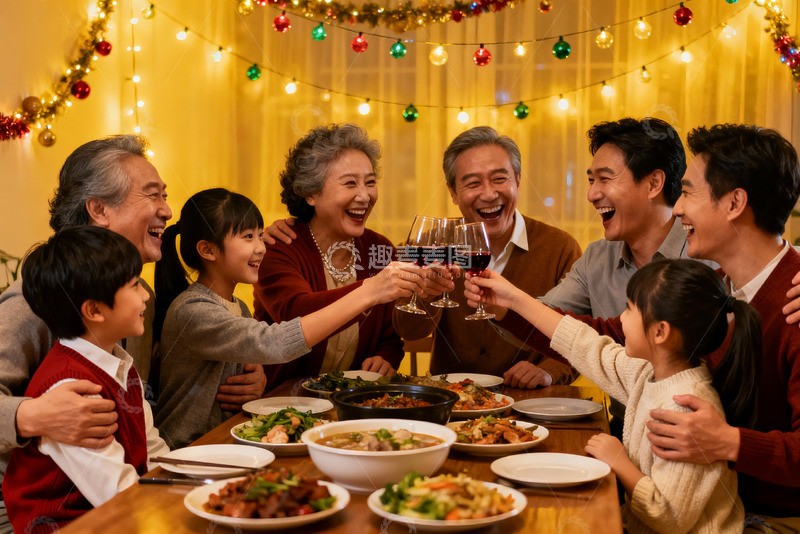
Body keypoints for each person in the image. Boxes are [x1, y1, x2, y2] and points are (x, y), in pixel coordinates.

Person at [479, 124, 800, 526]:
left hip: (766, 519)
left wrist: (728, 441)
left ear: (734, 203)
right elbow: (597, 339)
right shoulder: (716, 289)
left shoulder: (792, 304)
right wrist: (511, 302)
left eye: (688, 192)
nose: (678, 208)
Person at [0, 136, 264, 529]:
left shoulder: (143, 299)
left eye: (165, 195)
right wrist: (31, 414)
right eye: (152, 195)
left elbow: (142, 397)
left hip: (122, 483)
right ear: (100, 209)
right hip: (34, 511)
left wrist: (242, 372)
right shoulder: (36, 300)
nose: (167, 210)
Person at [264, 126, 582, 387]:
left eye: (499, 178)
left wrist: (548, 370)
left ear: (518, 181)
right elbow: (408, 330)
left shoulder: (560, 248)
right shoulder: (429, 244)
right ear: (453, 193)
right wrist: (426, 297)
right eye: (472, 183)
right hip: (449, 399)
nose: (488, 193)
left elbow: (582, 339)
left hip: (537, 404)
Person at [465, 259, 756, 533]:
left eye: (629, 309)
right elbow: (584, 344)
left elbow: (670, 516)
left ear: (660, 332)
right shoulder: (649, 373)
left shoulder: (684, 407)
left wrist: (619, 461)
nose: (621, 319)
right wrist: (513, 298)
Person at [154, 188, 425, 447]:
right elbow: (275, 342)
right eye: (248, 237)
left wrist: (256, 382)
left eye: (261, 235)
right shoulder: (194, 311)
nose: (261, 247)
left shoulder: (236, 306)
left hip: (224, 439)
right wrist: (368, 292)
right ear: (208, 250)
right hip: (189, 450)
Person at [3, 226, 170, 532]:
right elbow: (119, 494)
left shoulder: (118, 363)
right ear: (94, 310)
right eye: (134, 285)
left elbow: (152, 451)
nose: (146, 294)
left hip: (119, 512)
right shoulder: (75, 392)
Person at [252, 124, 430, 385]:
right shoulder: (279, 247)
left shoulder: (379, 249)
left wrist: (387, 355)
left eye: (370, 182)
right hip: (283, 403)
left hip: (354, 405)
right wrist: (373, 289)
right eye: (350, 183)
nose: (364, 196)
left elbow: (391, 331)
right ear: (311, 193)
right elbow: (295, 315)